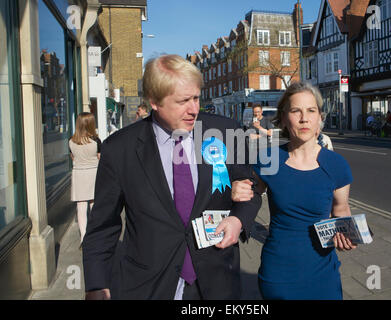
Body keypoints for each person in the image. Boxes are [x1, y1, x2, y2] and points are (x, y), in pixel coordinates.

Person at [82, 54, 261, 300]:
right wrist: (96, 283)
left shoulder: (226, 131)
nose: (193, 109)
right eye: (183, 101)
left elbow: (250, 193)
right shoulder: (119, 149)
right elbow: (103, 226)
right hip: (150, 284)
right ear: (154, 101)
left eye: (196, 98)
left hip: (216, 282)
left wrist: (238, 221)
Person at [231, 82, 356, 300]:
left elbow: (341, 210)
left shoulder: (337, 165)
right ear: (284, 118)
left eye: (311, 110)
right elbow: (248, 196)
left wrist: (345, 235)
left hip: (322, 274)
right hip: (278, 274)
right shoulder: (268, 158)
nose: (304, 118)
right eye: (296, 110)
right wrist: (236, 190)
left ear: (319, 117)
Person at [69, 112, 101, 245]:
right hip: (94, 173)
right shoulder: (96, 141)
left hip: (79, 174)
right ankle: (94, 234)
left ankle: (83, 236)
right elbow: (100, 157)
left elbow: (73, 157)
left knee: (81, 206)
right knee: (94, 204)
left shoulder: (71, 141)